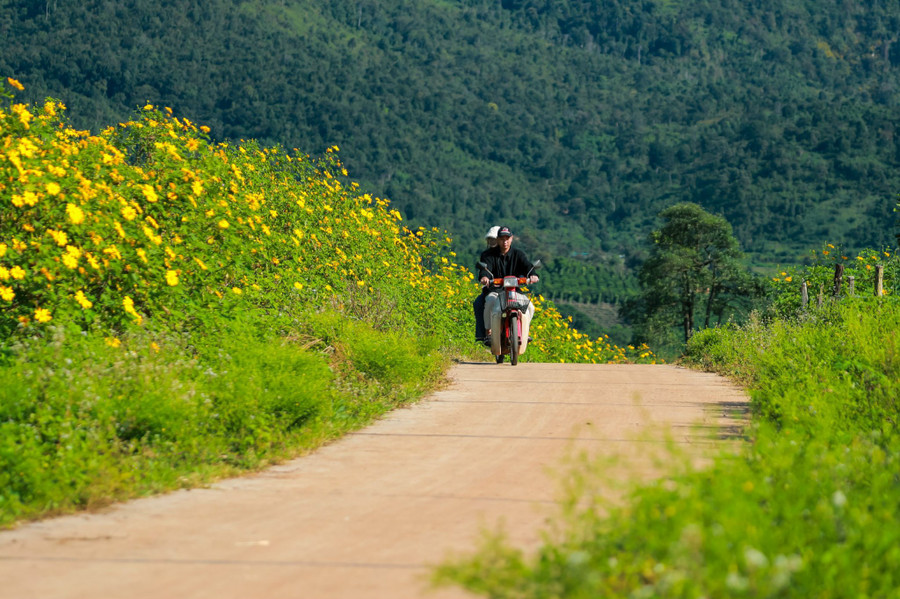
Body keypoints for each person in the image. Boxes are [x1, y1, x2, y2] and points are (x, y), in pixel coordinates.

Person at [478, 226, 539, 348]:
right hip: (495, 290)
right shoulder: (489, 255)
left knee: (530, 307)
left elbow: (527, 266)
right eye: (502, 239)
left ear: (511, 239)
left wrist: (532, 275)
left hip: (514, 290)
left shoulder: (518, 254)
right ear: (498, 240)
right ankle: (488, 332)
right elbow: (485, 269)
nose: (504, 241)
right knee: (489, 301)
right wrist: (484, 277)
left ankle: (524, 331)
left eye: (507, 238)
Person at [473, 226, 500, 342]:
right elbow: (484, 269)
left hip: (510, 288)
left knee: (527, 306)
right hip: (492, 289)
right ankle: (485, 332)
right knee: (479, 303)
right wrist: (484, 277)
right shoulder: (486, 255)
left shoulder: (511, 254)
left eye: (494, 239)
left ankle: (522, 333)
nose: (491, 242)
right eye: (490, 239)